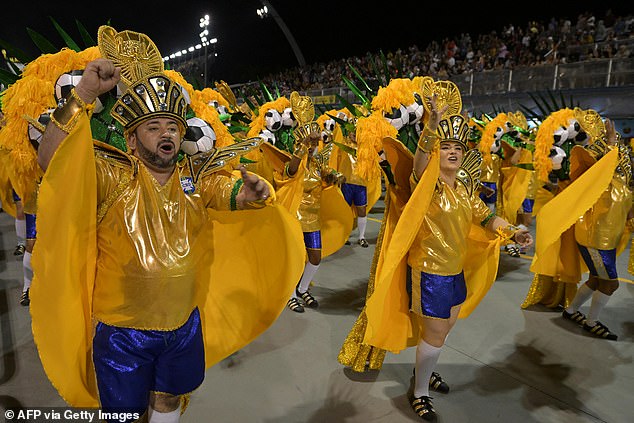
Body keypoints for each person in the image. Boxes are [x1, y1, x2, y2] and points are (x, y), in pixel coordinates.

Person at [33, 47, 302, 423]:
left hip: (183, 326)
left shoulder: (195, 180)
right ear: (132, 138)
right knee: (126, 415)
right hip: (123, 332)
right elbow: (51, 162)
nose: (167, 134)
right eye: (154, 126)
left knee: (168, 402)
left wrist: (248, 196)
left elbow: (228, 195)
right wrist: (84, 95)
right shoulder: (110, 174)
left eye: (173, 126)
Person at [358, 93, 532, 422]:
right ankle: (420, 391)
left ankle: (425, 370)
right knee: (436, 333)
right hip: (430, 273)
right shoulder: (428, 185)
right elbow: (420, 165)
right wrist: (432, 127)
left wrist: (512, 231)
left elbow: (485, 217)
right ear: (438, 153)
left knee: (444, 329)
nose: (452, 152)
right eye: (446, 147)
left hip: (455, 273)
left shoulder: (464, 191)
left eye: (457, 148)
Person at [561, 118, 632, 340]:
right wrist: (610, 143)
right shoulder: (594, 157)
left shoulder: (621, 168)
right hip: (595, 236)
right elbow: (602, 169)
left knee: (595, 278)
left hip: (606, 235)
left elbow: (624, 193)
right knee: (610, 285)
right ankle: (591, 322)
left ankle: (571, 311)